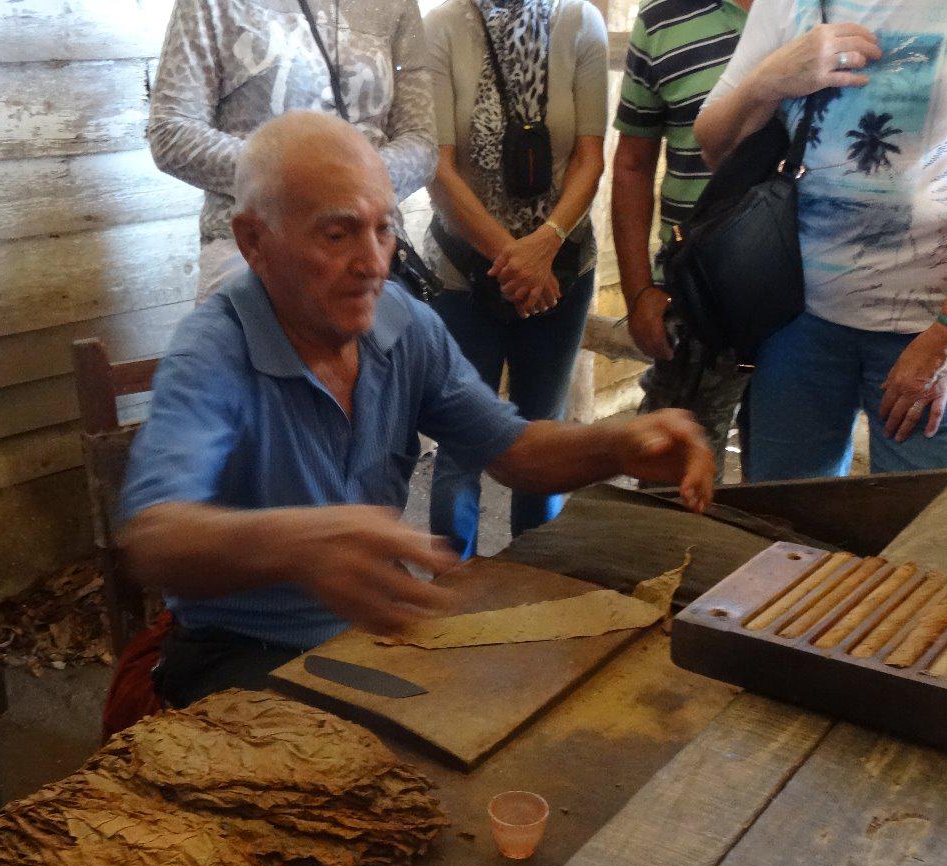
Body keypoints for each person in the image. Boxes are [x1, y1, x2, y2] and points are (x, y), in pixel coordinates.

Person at [117, 112, 714, 706]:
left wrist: (619, 443)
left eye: (383, 229)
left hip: (370, 633)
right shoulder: (214, 349)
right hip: (241, 647)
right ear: (254, 241)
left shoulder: (405, 328)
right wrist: (296, 544)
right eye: (337, 234)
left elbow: (514, 452)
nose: (374, 263)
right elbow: (154, 537)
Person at [694, 0, 947, 481]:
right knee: (780, 523)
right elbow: (714, 148)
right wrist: (769, 81)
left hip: (945, 319)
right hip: (793, 315)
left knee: (923, 531)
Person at [420, 0, 609, 557]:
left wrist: (546, 243)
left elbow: (590, 158)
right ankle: (454, 593)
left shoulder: (580, 23)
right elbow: (438, 167)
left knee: (540, 432)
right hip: (463, 274)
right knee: (460, 441)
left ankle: (534, 578)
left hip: (560, 269)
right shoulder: (442, 29)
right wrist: (516, 258)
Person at [147, 0, 438, 301]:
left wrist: (349, 188)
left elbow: (421, 143)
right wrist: (298, 179)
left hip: (370, 243)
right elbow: (171, 132)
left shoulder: (397, 5)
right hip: (256, 248)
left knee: (413, 339)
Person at [613, 0, 753, 481]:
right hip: (693, 301)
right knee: (667, 485)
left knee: (792, 490)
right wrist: (638, 293)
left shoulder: (827, 12)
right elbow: (632, 164)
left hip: (807, 307)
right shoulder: (662, 22)